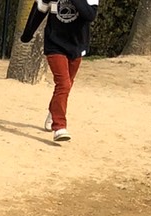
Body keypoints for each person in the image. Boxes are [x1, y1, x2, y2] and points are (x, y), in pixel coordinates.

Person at [20, 0, 99, 143]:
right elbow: (39, 10)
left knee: (68, 84)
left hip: (77, 45)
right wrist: (28, 33)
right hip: (54, 43)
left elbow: (90, 15)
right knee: (63, 84)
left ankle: (53, 111)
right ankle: (59, 127)